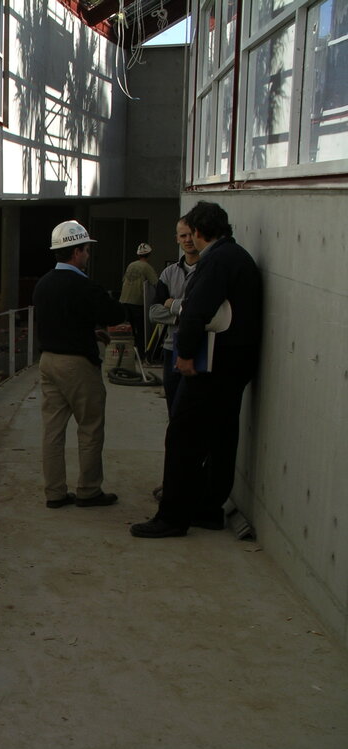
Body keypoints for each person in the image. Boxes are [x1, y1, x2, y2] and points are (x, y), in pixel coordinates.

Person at [131, 201, 262, 538]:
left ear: (200, 232)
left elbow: (196, 311)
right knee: (221, 437)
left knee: (182, 438)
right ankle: (208, 507)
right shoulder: (238, 257)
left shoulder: (215, 261)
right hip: (237, 365)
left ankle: (172, 517)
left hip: (213, 367)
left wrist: (185, 354)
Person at [32, 220, 126, 509]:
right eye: (86, 250)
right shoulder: (83, 286)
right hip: (77, 365)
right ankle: (88, 490)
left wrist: (88, 331)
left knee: (53, 431)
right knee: (90, 426)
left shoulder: (43, 283)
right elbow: (114, 314)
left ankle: (55, 493)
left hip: (48, 361)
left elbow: (61, 320)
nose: (87, 255)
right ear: (76, 252)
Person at [148, 219, 200, 414]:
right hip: (172, 348)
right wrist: (183, 316)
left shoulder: (208, 270)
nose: (188, 240)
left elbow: (205, 311)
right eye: (183, 236)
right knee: (174, 407)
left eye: (191, 235)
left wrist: (173, 305)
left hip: (199, 347)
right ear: (176, 239)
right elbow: (154, 312)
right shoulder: (168, 274)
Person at [119, 243, 159, 360]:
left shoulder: (131, 265)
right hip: (137, 303)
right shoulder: (147, 267)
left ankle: (128, 354)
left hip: (124, 301)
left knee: (128, 331)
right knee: (141, 330)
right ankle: (141, 355)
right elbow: (156, 283)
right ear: (149, 254)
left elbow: (124, 280)